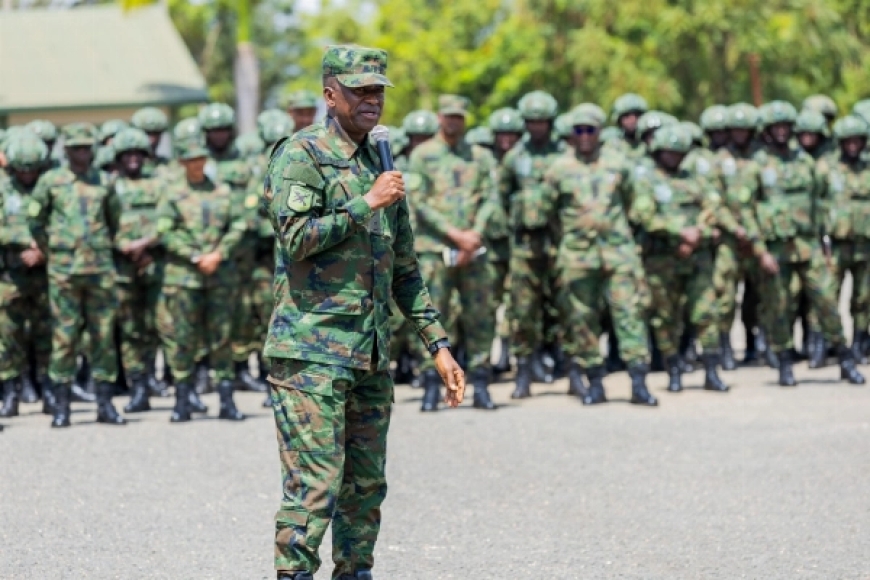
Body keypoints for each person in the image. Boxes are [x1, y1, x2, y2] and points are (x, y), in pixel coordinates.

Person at [263, 45, 464, 580]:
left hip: (368, 355)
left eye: (378, 90)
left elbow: (404, 266)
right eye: (359, 90)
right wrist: (365, 204)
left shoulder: (382, 162)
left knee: (366, 485)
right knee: (315, 485)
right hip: (310, 353)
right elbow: (296, 238)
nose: (372, 100)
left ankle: (356, 571)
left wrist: (437, 344)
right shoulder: (299, 155)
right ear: (330, 95)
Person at [729, 101, 864, 387]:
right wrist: (759, 250)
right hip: (775, 249)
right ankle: (784, 363)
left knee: (826, 300)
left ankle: (845, 358)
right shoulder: (757, 166)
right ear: (766, 131)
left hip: (808, 246)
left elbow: (821, 202)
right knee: (780, 306)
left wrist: (825, 238)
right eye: (776, 127)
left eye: (786, 127)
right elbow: (744, 209)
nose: (781, 131)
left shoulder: (805, 163)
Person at [546, 108, 657, 406]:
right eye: (579, 130)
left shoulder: (619, 163)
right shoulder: (559, 169)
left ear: (599, 132)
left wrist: (634, 233)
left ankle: (639, 382)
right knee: (582, 319)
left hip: (618, 253)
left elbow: (639, 201)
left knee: (629, 315)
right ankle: (594, 381)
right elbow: (548, 213)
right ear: (572, 134)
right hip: (578, 257)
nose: (585, 136)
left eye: (590, 130)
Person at [28, 123, 126, 428]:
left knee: (103, 336)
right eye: (76, 149)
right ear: (66, 150)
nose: (82, 154)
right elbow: (36, 221)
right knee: (64, 338)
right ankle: (61, 406)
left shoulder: (104, 181)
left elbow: (114, 219)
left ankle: (105, 403)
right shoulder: (51, 181)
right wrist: (53, 251)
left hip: (99, 271)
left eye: (87, 148)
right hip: (64, 273)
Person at [410, 94, 500, 411]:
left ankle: (482, 384)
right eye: (449, 116)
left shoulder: (480, 156)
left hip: (474, 250)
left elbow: (491, 198)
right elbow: (418, 202)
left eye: (459, 117)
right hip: (436, 250)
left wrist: (473, 235)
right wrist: (455, 235)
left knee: (480, 317)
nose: (453, 121)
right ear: (439, 118)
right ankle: (431, 385)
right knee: (434, 317)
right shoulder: (423, 155)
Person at [629, 125, 730, 393]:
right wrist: (680, 233)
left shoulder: (696, 180)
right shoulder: (647, 181)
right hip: (662, 260)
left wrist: (698, 234)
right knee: (665, 318)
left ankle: (711, 370)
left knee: (706, 313)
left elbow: (713, 210)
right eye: (668, 152)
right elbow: (645, 217)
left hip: (698, 260)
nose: (673, 157)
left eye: (678, 153)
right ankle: (673, 369)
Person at [155, 133, 247, 422]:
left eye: (200, 158)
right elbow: (165, 230)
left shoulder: (222, 191)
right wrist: (194, 256)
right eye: (191, 159)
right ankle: (182, 399)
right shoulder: (172, 193)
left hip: (219, 275)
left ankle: (227, 400)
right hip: (184, 277)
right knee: (183, 339)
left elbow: (239, 224)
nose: (197, 164)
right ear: (182, 161)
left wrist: (219, 253)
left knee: (222, 338)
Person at [500, 90, 564, 398]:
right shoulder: (515, 157)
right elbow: (500, 196)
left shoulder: (564, 155)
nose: (537, 127)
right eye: (532, 122)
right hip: (525, 244)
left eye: (543, 122)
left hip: (559, 243)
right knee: (523, 309)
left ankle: (572, 370)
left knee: (565, 308)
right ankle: (523, 371)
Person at [111, 128, 165, 413]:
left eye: (137, 154)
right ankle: (138, 387)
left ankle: (157, 378)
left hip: (153, 264)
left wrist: (145, 245)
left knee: (157, 325)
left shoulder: (158, 185)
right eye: (127, 154)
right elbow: (101, 223)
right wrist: (124, 246)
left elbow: (167, 219)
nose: (133, 159)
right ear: (118, 157)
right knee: (131, 329)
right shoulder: (109, 186)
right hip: (122, 267)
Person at [0, 133, 52, 418]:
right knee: (9, 337)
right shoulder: (3, 190)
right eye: (22, 169)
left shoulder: (49, 188)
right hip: (11, 277)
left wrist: (42, 250)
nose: (28, 175)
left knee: (47, 337)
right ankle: (10, 393)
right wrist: (25, 240)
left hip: (45, 275)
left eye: (33, 169)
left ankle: (49, 392)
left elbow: (62, 223)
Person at [815, 115, 870, 362]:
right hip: (834, 245)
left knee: (863, 297)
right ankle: (825, 345)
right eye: (848, 141)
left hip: (864, 244)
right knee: (826, 294)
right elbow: (814, 203)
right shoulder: (826, 168)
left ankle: (859, 343)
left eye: (857, 141)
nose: (852, 146)